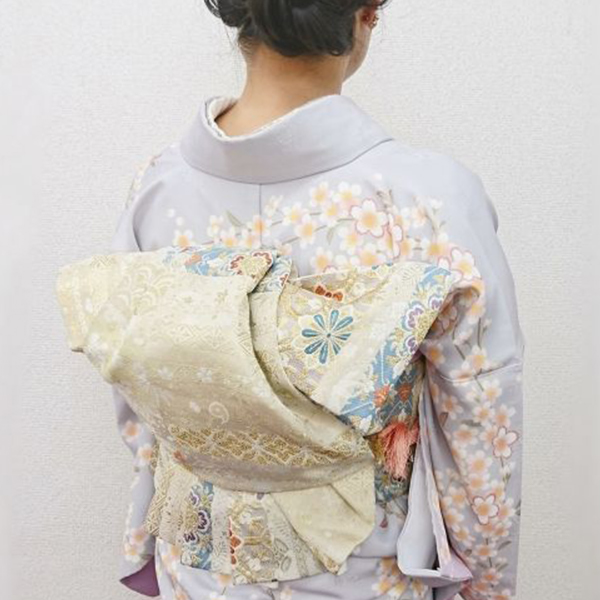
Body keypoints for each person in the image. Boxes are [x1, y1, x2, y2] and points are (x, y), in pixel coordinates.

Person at [107, 1, 525, 598]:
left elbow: (138, 392)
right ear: (366, 13)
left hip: (198, 574)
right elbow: (481, 423)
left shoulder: (158, 187)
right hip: (364, 575)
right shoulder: (428, 200)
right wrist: (483, 585)